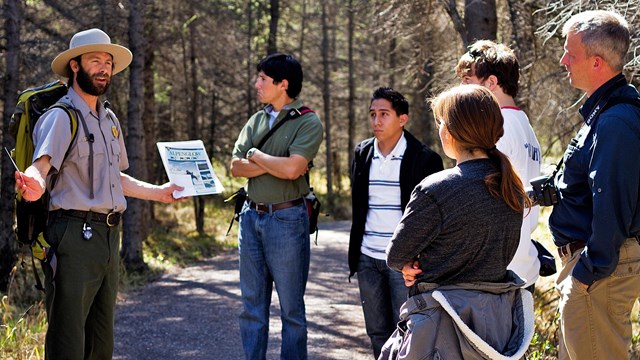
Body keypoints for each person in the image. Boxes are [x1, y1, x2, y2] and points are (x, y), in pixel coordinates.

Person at [14, 28, 183, 359]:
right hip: (73, 237)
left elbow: (115, 178)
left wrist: (160, 194)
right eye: (95, 61)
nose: (104, 68)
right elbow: (42, 166)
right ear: (75, 66)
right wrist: (33, 183)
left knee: (101, 340)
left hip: (108, 236)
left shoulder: (109, 120)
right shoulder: (61, 117)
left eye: (108, 62)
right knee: (69, 340)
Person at [380, 85, 534, 359]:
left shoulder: (436, 189)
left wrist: (409, 263)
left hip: (440, 330)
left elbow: (395, 255)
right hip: (495, 328)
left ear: (450, 132)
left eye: (440, 122)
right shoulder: (511, 188)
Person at [549, 10, 640, 359]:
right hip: (593, 268)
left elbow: (612, 200)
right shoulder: (604, 114)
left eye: (571, 53)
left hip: (599, 270)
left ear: (597, 62)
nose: (563, 60)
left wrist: (588, 272)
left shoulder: (616, 121)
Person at [229, 53, 323, 360]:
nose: (256, 84)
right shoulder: (256, 119)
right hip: (250, 217)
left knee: (291, 309)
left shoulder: (307, 120)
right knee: (251, 306)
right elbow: (235, 167)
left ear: (282, 84)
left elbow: (293, 170)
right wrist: (273, 163)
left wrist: (255, 155)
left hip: (287, 219)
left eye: (262, 79)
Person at [348, 87, 443, 358]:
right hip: (367, 258)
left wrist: (418, 257)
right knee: (377, 330)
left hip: (403, 262)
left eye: (384, 114)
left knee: (408, 329)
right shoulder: (362, 153)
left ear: (402, 118)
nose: (376, 121)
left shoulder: (425, 159)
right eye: (373, 114)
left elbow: (432, 217)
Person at [455, 39, 542, 290]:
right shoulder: (523, 123)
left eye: (467, 81)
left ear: (491, 83)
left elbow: (479, 198)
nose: (461, 89)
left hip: (498, 272)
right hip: (522, 262)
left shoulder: (499, 127)